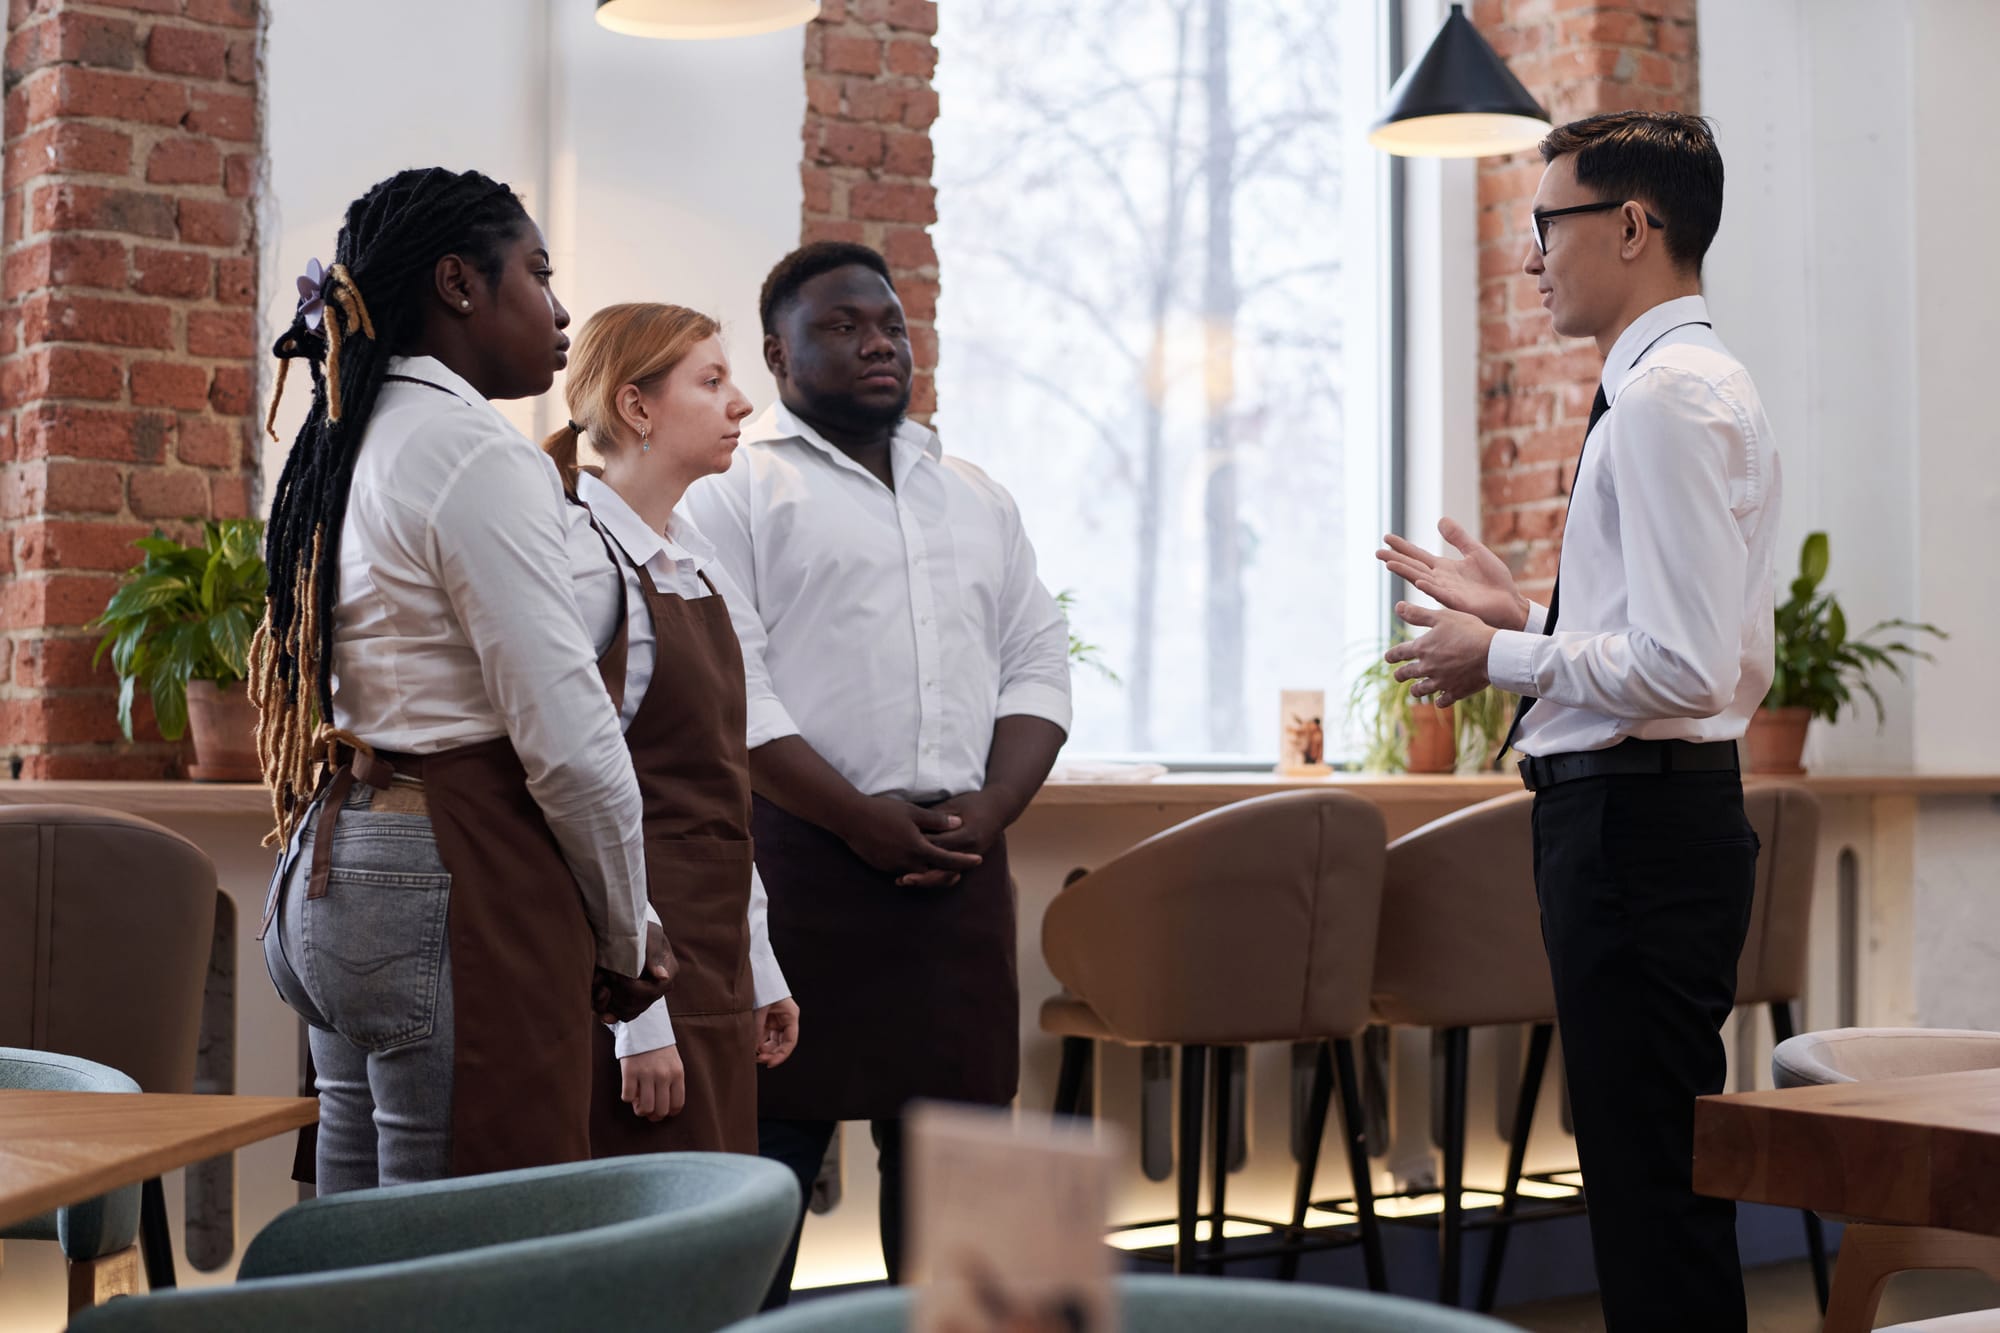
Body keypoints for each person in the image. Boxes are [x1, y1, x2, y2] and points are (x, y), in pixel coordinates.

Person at [1377, 111, 1779, 1331]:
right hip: (1651, 825)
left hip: (1634, 837)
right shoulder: (1692, 381)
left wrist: (1499, 650)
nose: (1530, 256)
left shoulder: (1658, 399)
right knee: (1653, 1184)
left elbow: (1686, 665)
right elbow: (1667, 636)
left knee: (1648, 1197)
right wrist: (1532, 613)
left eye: (1546, 224)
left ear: (1630, 226)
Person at [254, 168, 670, 1194]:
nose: (560, 307)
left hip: (334, 856)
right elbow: (570, 742)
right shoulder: (470, 452)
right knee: (455, 1241)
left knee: (358, 1239)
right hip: (435, 869)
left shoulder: (350, 434)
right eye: (536, 272)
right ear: (457, 284)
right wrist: (627, 935)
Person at [682, 241, 1073, 1303]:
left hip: (958, 874)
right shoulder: (730, 488)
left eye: (889, 326)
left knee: (965, 1194)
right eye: (842, 326)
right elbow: (731, 688)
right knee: (759, 1178)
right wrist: (855, 819)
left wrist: (990, 808)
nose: (875, 344)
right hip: (796, 871)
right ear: (776, 352)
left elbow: (1037, 661)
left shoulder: (973, 494)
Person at [540, 303, 802, 1152]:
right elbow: (578, 797)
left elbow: (725, 799)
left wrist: (759, 968)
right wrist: (637, 1021)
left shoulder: (696, 560)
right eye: (713, 380)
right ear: (637, 407)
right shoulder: (586, 562)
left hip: (712, 965)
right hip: (635, 978)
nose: (740, 405)